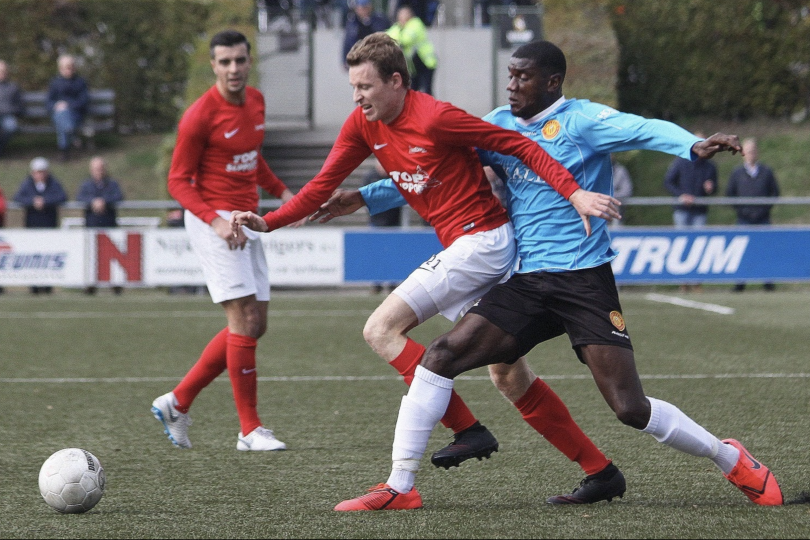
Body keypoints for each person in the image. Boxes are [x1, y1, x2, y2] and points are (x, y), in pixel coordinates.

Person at [331, 40, 783, 511]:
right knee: (442, 356)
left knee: (630, 408)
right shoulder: (499, 125)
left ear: (552, 82)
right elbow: (431, 167)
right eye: (509, 75)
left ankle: (729, 457)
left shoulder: (583, 120)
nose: (512, 85)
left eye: (523, 77)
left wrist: (690, 144)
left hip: (585, 281)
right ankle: (400, 485)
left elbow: (642, 128)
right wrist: (367, 197)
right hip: (528, 282)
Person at [231, 32, 623, 506]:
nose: (357, 97)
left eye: (365, 87)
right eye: (352, 87)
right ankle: (600, 471)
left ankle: (420, 468)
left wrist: (573, 191)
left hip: (483, 242)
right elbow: (321, 186)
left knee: (380, 328)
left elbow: (521, 148)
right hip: (473, 248)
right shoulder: (363, 125)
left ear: (396, 81)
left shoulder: (438, 116)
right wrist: (269, 222)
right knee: (508, 374)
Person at [151, 29, 303, 453]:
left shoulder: (255, 101)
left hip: (247, 221)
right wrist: (216, 222)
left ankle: (177, 402)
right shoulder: (200, 115)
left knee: (256, 325)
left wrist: (284, 192)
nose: (233, 69)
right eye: (225, 62)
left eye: (240, 60)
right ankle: (249, 430)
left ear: (249, 61)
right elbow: (177, 181)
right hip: (212, 222)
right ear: (215, 66)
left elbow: (252, 160)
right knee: (243, 319)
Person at [664, 130, 717, 291]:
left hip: (700, 211)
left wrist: (710, 188)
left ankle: (696, 282)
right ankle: (683, 282)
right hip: (682, 210)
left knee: (698, 245)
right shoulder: (680, 162)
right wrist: (681, 195)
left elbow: (714, 187)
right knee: (682, 244)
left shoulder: (709, 166)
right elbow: (668, 182)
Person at [726, 137, 780, 292]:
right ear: (743, 153)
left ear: (757, 153)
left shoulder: (766, 171)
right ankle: (740, 283)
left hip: (763, 218)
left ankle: (768, 283)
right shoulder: (737, 173)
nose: (751, 154)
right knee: (742, 251)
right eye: (748, 151)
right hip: (744, 219)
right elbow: (730, 194)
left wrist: (764, 209)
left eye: (753, 151)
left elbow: (774, 192)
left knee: (765, 250)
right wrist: (743, 211)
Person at [13, 157, 68, 295]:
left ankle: (47, 285)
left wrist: (45, 201)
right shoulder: (27, 184)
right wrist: (33, 201)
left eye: (42, 172)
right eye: (38, 172)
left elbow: (62, 196)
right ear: (33, 173)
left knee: (49, 255)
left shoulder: (53, 183)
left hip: (49, 225)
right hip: (32, 226)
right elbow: (18, 197)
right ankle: (34, 285)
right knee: (33, 255)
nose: (40, 175)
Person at [76, 155, 125, 295]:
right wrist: (93, 202)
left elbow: (118, 196)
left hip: (109, 225)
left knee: (112, 258)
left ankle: (115, 285)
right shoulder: (86, 185)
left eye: (101, 168)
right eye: (96, 169)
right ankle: (90, 285)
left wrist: (104, 201)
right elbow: (80, 198)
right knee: (92, 256)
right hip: (92, 226)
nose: (99, 171)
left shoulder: (112, 184)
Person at [47, 54, 89, 161]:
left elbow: (83, 101)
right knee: (62, 115)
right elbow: (48, 102)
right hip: (57, 114)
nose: (69, 70)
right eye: (66, 67)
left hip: (75, 114)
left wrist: (67, 105)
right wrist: (56, 105)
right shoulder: (55, 83)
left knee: (63, 120)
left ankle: (64, 152)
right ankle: (73, 135)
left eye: (71, 67)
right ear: (60, 68)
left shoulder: (80, 82)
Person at [387, 5, 437, 95]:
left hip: (426, 63)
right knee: (413, 89)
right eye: (400, 16)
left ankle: (429, 108)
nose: (401, 18)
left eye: (403, 15)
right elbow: (388, 36)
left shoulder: (416, 24)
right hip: (413, 66)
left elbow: (406, 39)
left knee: (427, 89)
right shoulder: (399, 27)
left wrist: (396, 39)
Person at [343, 0, 390, 69]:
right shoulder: (352, 22)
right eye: (361, 8)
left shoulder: (380, 20)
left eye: (366, 7)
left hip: (376, 59)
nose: (363, 10)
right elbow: (347, 41)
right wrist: (345, 59)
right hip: (357, 58)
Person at [0, 60, 23, 157]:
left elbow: (20, 105)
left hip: (8, 115)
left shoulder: (13, 87)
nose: (2, 74)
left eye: (3, 72)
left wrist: (12, 111)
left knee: (11, 127)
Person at [610, 154, 633, 228]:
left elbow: (627, 190)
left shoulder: (621, 171)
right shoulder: (594, 171)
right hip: (596, 215)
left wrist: (611, 197)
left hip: (617, 212)